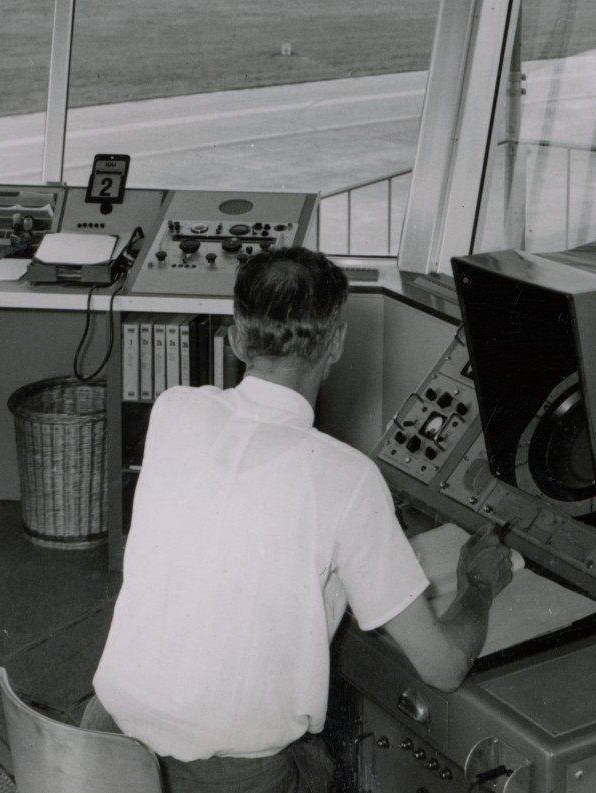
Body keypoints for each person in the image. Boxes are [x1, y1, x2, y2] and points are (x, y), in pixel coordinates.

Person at [91, 246, 514, 793]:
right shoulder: (349, 478)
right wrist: (478, 586)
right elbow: (443, 667)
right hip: (222, 778)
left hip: (101, 749)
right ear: (336, 341)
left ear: (237, 338)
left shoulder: (175, 408)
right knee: (328, 766)